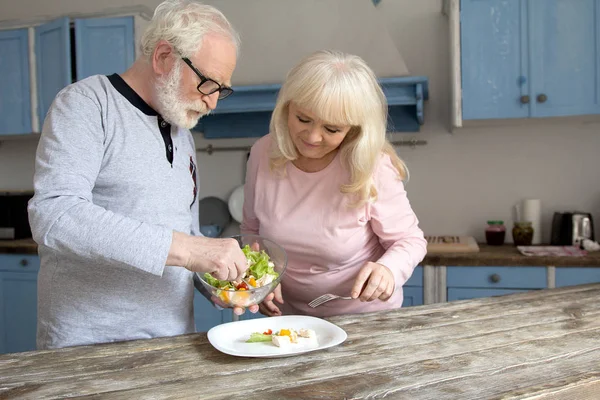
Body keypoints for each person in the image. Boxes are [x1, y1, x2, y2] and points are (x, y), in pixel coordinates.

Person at [28, 0, 261, 350]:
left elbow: (187, 236)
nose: (212, 103)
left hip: (172, 342)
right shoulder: (86, 105)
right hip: (88, 347)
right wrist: (189, 248)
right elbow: (54, 215)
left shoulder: (182, 131)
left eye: (221, 90)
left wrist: (219, 283)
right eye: (208, 83)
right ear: (164, 57)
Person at [242, 50, 427, 317]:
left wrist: (389, 270)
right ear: (287, 107)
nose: (313, 137)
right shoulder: (263, 153)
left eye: (332, 129)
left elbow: (410, 240)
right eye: (303, 119)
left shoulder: (372, 166)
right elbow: (252, 230)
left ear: (353, 130)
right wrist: (261, 280)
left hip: (364, 317)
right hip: (291, 318)